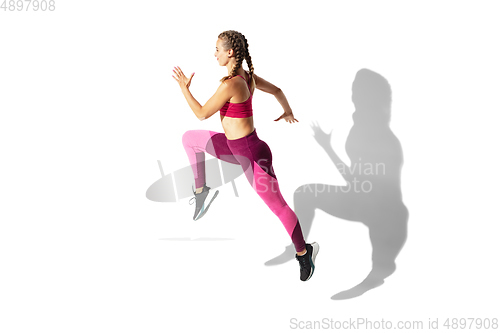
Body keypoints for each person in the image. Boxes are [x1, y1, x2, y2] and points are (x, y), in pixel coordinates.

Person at [172, 30, 319, 281]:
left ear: (230, 52)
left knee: (279, 208)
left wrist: (184, 88)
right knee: (190, 139)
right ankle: (201, 192)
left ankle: (304, 253)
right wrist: (287, 110)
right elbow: (278, 90)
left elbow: (201, 113)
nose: (214, 53)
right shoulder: (245, 77)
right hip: (232, 146)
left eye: (217, 49)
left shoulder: (232, 84)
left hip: (252, 155)